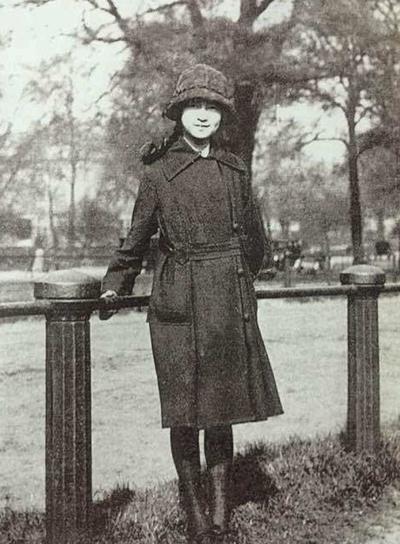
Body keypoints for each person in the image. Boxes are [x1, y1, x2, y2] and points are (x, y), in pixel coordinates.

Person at [100, 63, 283, 544]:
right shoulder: (158, 173)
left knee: (221, 411)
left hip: (227, 303)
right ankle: (196, 517)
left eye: (212, 107)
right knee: (184, 413)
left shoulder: (235, 169)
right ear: (179, 112)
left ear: (223, 115)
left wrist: (237, 279)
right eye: (194, 106)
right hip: (177, 305)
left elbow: (256, 241)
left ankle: (220, 519)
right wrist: (115, 284)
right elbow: (137, 239)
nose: (203, 115)